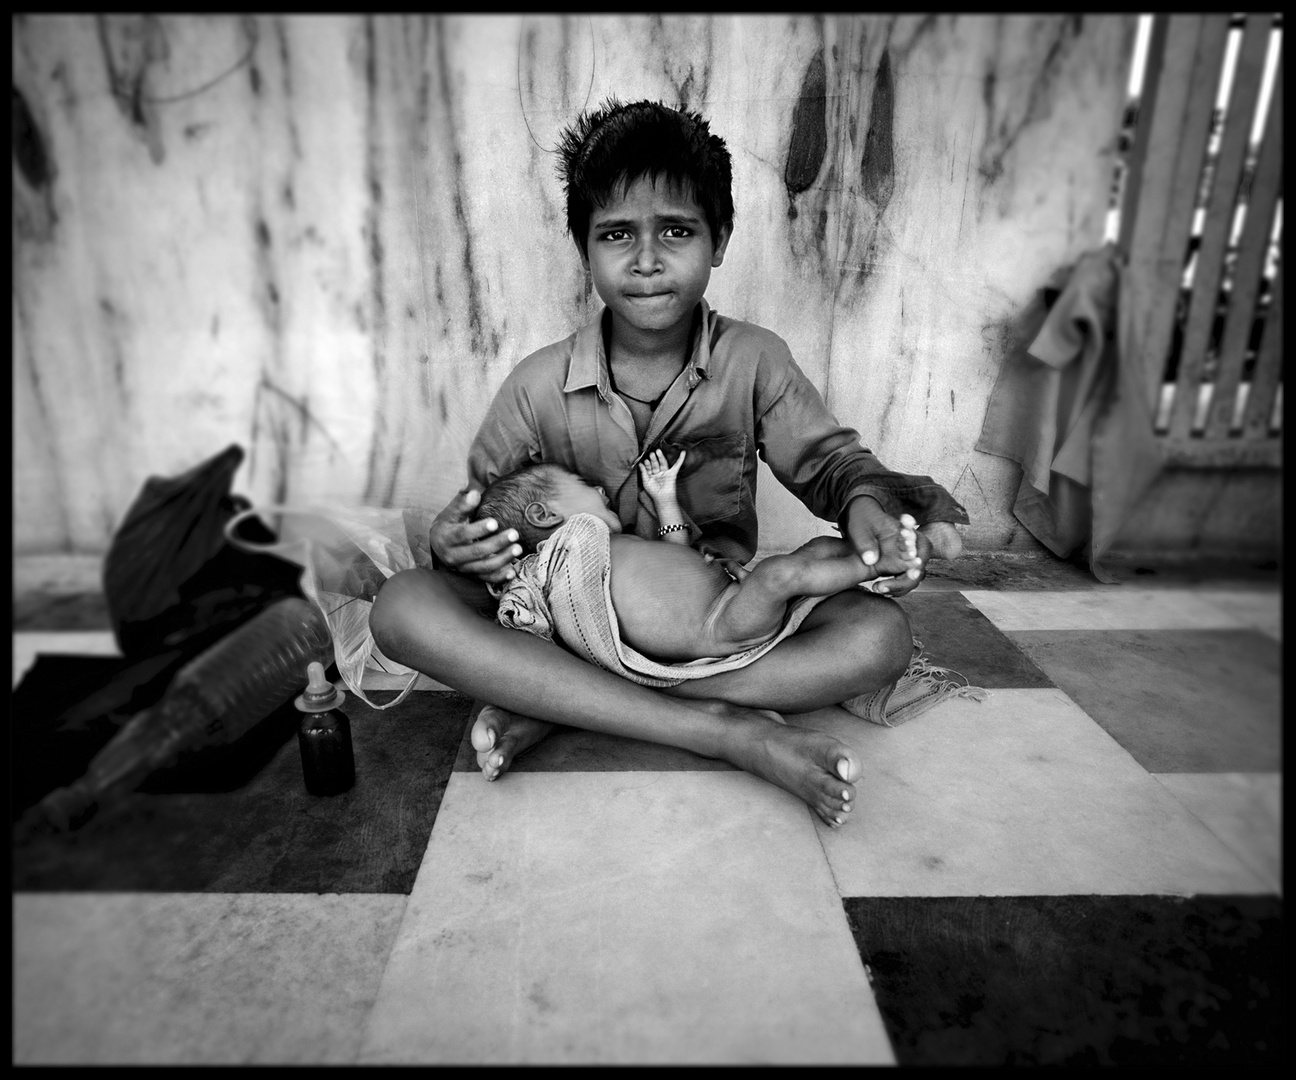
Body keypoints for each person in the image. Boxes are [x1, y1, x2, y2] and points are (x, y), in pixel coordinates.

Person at [370, 99, 969, 829]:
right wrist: (450, 543)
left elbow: (831, 464)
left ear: (719, 241)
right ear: (585, 249)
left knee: (880, 638)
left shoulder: (754, 359)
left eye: (676, 231)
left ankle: (561, 701)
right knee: (404, 607)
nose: (647, 259)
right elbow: (482, 519)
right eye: (617, 234)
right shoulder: (535, 385)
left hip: (708, 611)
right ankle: (723, 729)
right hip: (564, 622)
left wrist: (866, 506)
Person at [476, 451, 923, 663]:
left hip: (728, 597)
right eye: (579, 482)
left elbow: (677, 556)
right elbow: (529, 612)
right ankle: (872, 563)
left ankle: (878, 547)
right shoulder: (559, 564)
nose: (598, 489)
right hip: (719, 626)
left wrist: (665, 500)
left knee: (817, 550)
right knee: (776, 575)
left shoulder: (607, 547)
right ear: (543, 513)